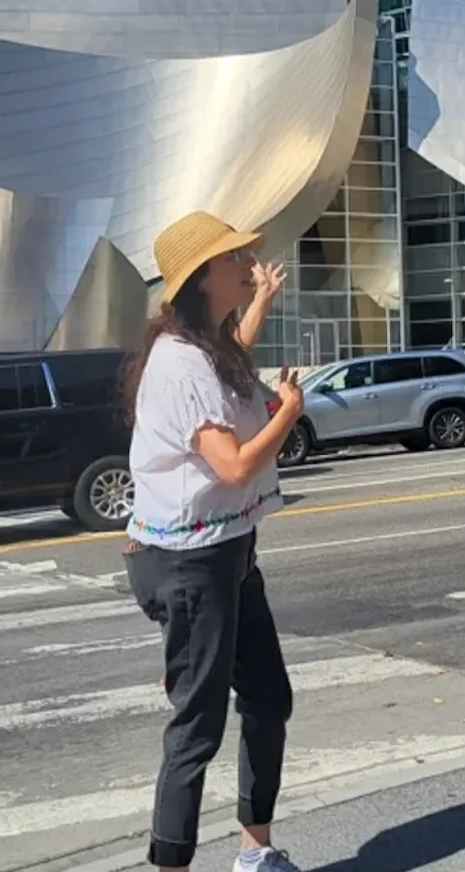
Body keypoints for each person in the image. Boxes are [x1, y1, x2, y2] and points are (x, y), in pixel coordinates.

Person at [119, 210, 304, 872]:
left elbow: (238, 353)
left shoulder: (209, 346)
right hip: (189, 560)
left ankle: (255, 851)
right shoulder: (181, 364)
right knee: (197, 728)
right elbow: (233, 465)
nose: (248, 263)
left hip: (227, 549)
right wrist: (287, 413)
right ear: (202, 276)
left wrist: (261, 299)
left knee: (269, 697)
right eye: (236, 258)